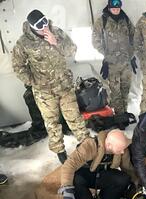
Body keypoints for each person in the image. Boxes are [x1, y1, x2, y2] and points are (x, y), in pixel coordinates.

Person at [12, 9, 90, 164]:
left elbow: (72, 49)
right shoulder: (24, 43)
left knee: (74, 117)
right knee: (52, 122)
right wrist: (32, 81)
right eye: (40, 25)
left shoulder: (56, 32)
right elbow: (18, 65)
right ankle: (60, 151)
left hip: (64, 86)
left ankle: (86, 145)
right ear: (32, 26)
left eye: (45, 22)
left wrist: (56, 42)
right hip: (44, 92)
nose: (44, 27)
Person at [58, 129, 138, 199]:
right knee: (76, 179)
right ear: (108, 145)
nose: (122, 151)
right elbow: (68, 165)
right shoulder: (89, 145)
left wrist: (137, 183)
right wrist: (67, 191)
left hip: (102, 174)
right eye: (120, 149)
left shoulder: (122, 148)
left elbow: (127, 168)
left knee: (123, 178)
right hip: (85, 175)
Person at [92, 0, 137, 115]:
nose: (116, 10)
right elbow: (95, 40)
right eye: (113, 8)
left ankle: (124, 112)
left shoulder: (125, 19)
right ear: (109, 7)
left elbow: (135, 37)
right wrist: (106, 55)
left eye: (118, 8)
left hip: (126, 63)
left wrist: (131, 55)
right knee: (115, 91)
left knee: (125, 89)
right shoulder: (102, 20)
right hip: (112, 64)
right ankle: (119, 115)